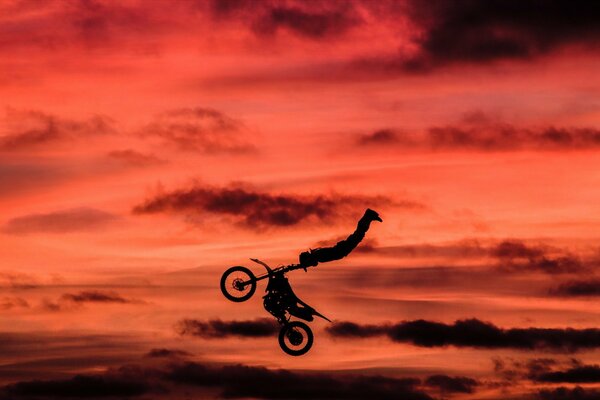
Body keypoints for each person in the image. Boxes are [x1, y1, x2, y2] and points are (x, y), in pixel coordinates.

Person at [298, 208, 382, 268]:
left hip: (342, 249)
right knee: (359, 234)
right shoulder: (318, 256)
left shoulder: (318, 256)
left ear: (308, 259)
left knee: (359, 234)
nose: (311, 266)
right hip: (342, 249)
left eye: (309, 264)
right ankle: (368, 217)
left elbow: (333, 253)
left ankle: (368, 216)